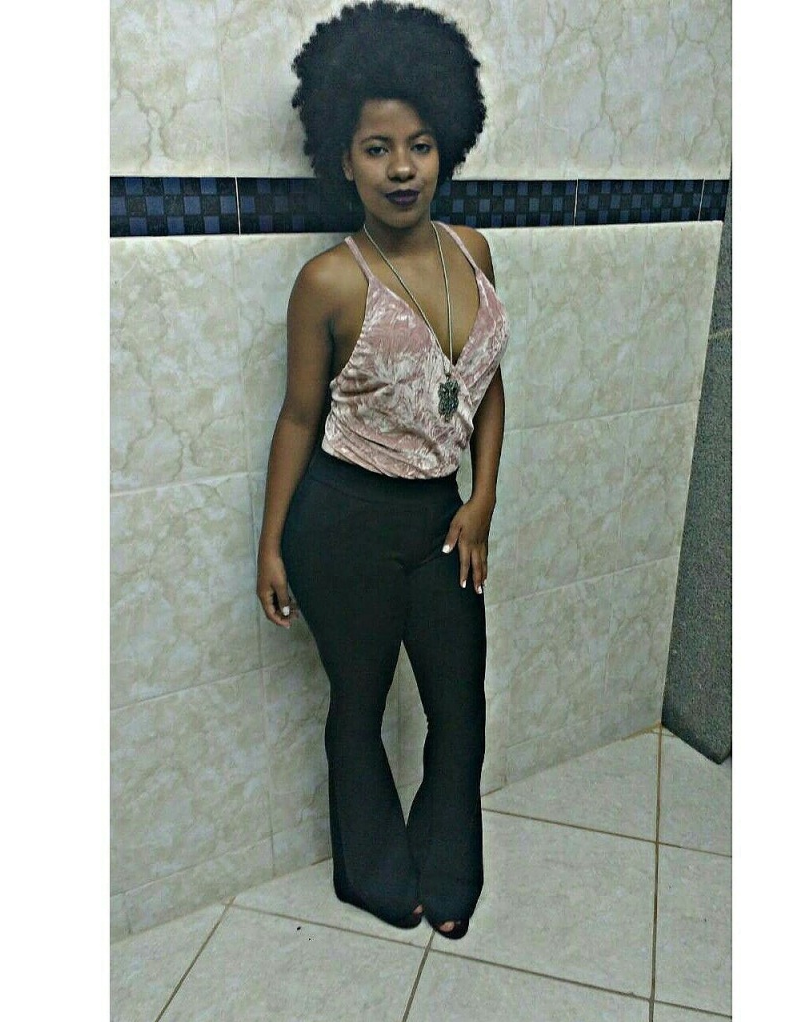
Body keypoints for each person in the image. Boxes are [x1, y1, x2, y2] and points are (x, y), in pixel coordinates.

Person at [256, 0, 509, 941]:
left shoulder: (473, 252)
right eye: (376, 148)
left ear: (447, 148)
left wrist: (482, 499)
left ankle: (449, 866)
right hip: (342, 523)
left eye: (420, 145)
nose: (402, 168)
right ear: (344, 158)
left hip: (442, 519)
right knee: (359, 706)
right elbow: (297, 417)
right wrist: (271, 545)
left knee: (459, 705)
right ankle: (373, 872)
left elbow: (484, 386)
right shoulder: (328, 280)